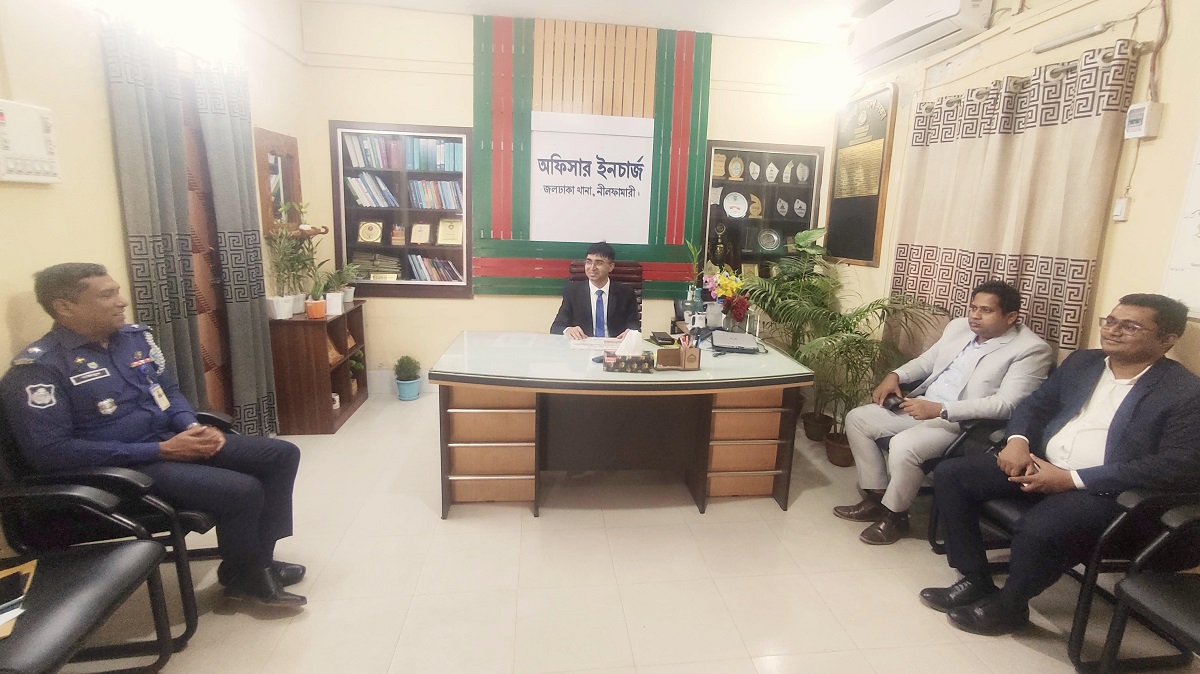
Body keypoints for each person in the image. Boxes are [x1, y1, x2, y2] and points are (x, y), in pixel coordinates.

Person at [0, 263, 307, 608]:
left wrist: (190, 426)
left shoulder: (133, 339)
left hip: (169, 441)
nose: (121, 301)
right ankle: (246, 574)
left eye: (117, 291)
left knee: (280, 454)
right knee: (242, 489)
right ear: (65, 307)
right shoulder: (39, 369)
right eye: (107, 295)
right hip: (122, 470)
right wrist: (161, 450)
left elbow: (168, 390)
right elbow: (50, 453)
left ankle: (257, 562)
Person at [920, 293, 1200, 636]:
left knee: (1041, 527)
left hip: (1105, 490)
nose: (1113, 331)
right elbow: (1035, 404)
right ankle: (976, 578)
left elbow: (1176, 465)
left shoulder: (1184, 392)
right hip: (1041, 463)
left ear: (1167, 339)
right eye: (1110, 321)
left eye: (1130, 326)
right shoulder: (1084, 362)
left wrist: (1073, 479)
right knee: (952, 475)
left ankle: (1010, 607)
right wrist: (1017, 441)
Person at [833, 280, 1053, 545]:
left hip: (962, 423)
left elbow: (1009, 404)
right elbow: (927, 362)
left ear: (1011, 317)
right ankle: (876, 499)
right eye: (973, 307)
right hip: (922, 405)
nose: (975, 315)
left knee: (904, 446)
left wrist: (942, 410)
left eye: (986, 310)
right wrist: (895, 375)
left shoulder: (1030, 349)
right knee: (858, 419)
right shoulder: (958, 327)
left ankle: (895, 516)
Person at [550, 241, 641, 339]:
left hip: (614, 345)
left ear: (611, 267)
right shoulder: (573, 292)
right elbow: (556, 327)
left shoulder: (626, 293)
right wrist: (568, 330)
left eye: (599, 263)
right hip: (583, 345)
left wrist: (631, 332)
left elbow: (634, 325)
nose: (592, 268)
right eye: (589, 262)